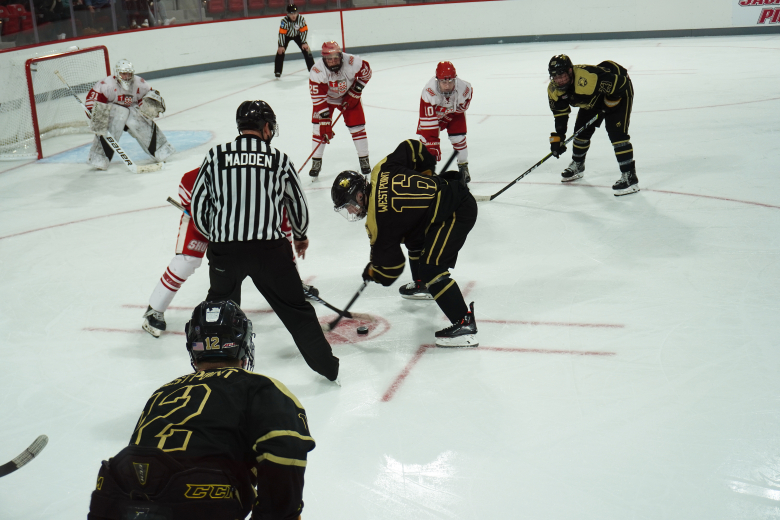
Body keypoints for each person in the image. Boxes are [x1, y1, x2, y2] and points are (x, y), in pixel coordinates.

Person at [88, 300, 315, 520]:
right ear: (244, 345)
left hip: (115, 498)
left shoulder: (162, 392)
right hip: (197, 500)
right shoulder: (259, 387)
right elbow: (286, 448)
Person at [190, 100, 339, 381]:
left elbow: (199, 205)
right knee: (297, 312)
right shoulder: (278, 159)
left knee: (219, 313)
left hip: (225, 251)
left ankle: (216, 375)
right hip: (270, 251)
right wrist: (300, 234)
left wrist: (219, 234)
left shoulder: (215, 156)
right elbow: (297, 204)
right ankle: (328, 369)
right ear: (267, 126)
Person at [330, 139, 479, 347]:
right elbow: (412, 147)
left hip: (456, 212)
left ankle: (464, 324)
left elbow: (391, 268)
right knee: (413, 236)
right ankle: (422, 286)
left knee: (432, 269)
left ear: (360, 194)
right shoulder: (381, 168)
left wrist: (373, 272)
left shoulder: (376, 224)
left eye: (349, 205)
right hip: (450, 192)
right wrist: (427, 172)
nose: (352, 211)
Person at [141, 167, 320, 338]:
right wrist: (199, 212)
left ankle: (292, 286)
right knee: (187, 261)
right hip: (202, 218)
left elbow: (283, 247)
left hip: (232, 225)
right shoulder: (225, 170)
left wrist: (292, 283)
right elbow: (187, 182)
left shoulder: (273, 203)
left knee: (270, 251)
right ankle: (154, 309)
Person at [547, 54, 639, 196]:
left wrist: (609, 102)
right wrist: (558, 137)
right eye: (555, 76)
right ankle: (578, 165)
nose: (558, 80)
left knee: (616, 134)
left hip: (619, 90)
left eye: (561, 75)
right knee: (580, 132)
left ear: (570, 71)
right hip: (594, 97)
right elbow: (560, 115)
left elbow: (622, 84)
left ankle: (630, 177)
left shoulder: (587, 79)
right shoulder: (554, 90)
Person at [85, 59, 175, 170]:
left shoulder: (139, 83)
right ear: (117, 73)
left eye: (129, 73)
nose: (126, 76)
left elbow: (147, 97)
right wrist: (95, 113)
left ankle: (161, 149)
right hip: (113, 117)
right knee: (119, 113)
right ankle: (99, 157)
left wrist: (150, 103)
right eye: (123, 73)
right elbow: (91, 102)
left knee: (137, 119)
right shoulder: (105, 85)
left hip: (132, 113)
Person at [308, 40, 372, 178]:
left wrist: (356, 91)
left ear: (341, 55)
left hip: (348, 95)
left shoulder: (353, 62)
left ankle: (364, 160)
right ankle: (316, 161)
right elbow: (317, 96)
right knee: (319, 129)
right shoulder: (317, 70)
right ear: (323, 58)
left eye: (336, 57)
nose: (333, 61)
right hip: (327, 99)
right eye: (329, 58)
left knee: (357, 127)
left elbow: (367, 74)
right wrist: (324, 119)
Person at [417, 61, 473, 183]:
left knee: (459, 139)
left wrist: (450, 114)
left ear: (455, 79)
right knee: (426, 143)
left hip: (454, 114)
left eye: (450, 81)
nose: (447, 85)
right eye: (443, 82)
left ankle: (463, 166)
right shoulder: (428, 93)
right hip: (434, 116)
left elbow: (465, 103)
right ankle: (428, 171)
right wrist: (433, 147)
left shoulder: (464, 88)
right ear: (437, 80)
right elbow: (428, 126)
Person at [274, 4, 314, 78]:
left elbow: (304, 31)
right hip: (286, 36)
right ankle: (278, 71)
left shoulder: (301, 19)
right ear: (288, 14)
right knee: (280, 52)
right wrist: (281, 46)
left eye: (295, 13)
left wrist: (303, 42)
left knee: (307, 50)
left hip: (298, 35)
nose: (294, 16)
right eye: (291, 14)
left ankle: (312, 69)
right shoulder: (284, 21)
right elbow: (282, 34)